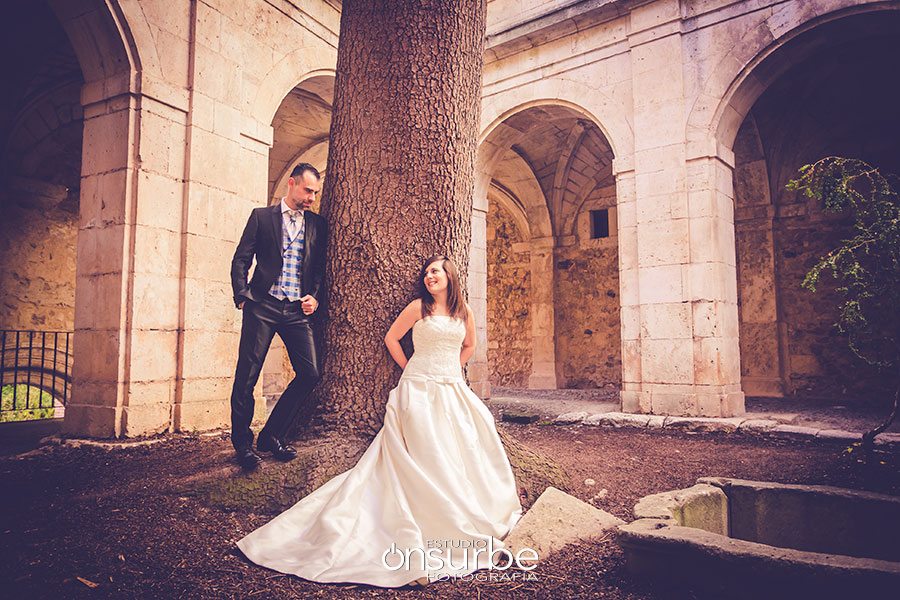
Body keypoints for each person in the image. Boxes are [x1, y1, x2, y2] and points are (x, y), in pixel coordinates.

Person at [236, 256, 523, 587]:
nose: (429, 276)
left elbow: (470, 344)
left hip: (452, 387)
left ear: (450, 276)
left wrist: (450, 367)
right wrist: (411, 367)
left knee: (465, 444)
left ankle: (462, 508)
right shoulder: (419, 307)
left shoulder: (464, 311)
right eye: (426, 273)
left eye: (435, 271)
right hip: (418, 386)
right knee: (425, 446)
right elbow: (391, 338)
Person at [229, 163, 327, 470]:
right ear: (292, 183)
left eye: (315, 193)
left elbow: (318, 268)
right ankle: (242, 444)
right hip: (262, 305)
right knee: (247, 375)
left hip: (296, 310)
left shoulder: (317, 224)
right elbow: (241, 259)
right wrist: (242, 295)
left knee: (310, 373)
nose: (311, 198)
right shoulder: (262, 217)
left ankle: (271, 435)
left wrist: (314, 295)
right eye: (308, 191)